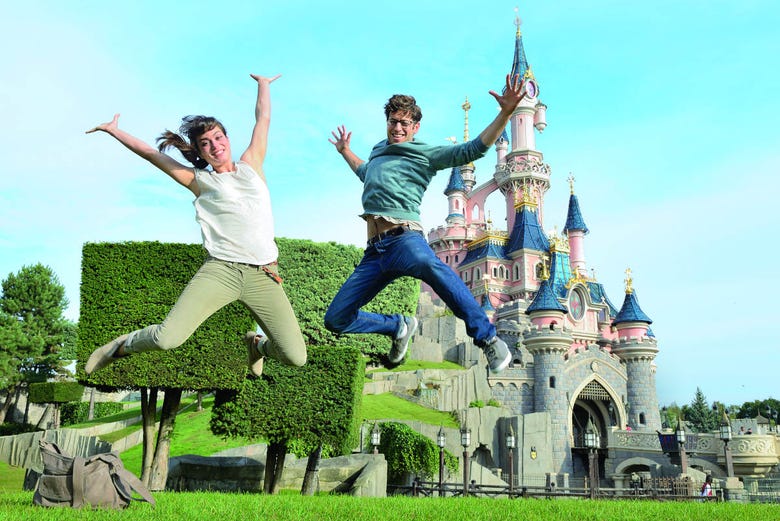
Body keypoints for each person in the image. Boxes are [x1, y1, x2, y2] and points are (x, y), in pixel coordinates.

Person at [84, 74, 306, 378]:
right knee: (166, 339)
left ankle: (257, 345)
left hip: (264, 274)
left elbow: (262, 118)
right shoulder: (199, 180)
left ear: (227, 139)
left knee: (295, 357)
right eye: (206, 144)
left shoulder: (251, 163)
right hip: (222, 271)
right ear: (200, 153)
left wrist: (263, 85)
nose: (215, 146)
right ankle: (120, 347)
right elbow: (152, 155)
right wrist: (115, 131)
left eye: (218, 138)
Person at [324, 74, 528, 372]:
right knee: (336, 318)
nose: (397, 128)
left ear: (415, 127)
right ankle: (397, 326)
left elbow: (471, 150)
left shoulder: (423, 153)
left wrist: (506, 112)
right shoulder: (378, 151)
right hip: (374, 252)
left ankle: (489, 340)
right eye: (393, 121)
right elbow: (366, 173)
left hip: (405, 240)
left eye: (404, 124)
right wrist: (345, 152)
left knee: (436, 269)